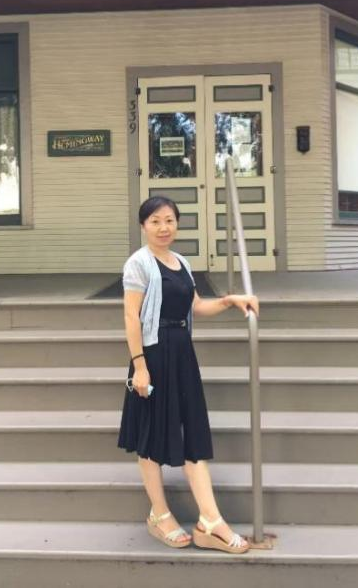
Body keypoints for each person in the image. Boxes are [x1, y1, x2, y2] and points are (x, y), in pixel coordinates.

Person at [117, 196, 259, 554]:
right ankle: (159, 514)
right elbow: (131, 317)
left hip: (181, 354)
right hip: (152, 355)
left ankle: (209, 521)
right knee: (150, 434)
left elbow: (195, 305)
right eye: (155, 221)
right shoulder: (138, 264)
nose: (163, 228)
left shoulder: (181, 262)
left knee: (192, 432)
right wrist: (140, 366)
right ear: (143, 226)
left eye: (169, 220)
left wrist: (229, 300)